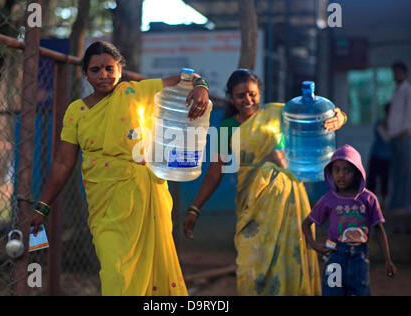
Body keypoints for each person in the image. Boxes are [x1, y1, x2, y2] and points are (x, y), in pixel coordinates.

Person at [29, 41, 210, 296]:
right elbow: (63, 162)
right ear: (85, 73)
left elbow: (187, 77)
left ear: (119, 70)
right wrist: (43, 205)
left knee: (145, 271)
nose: (103, 74)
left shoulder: (135, 92)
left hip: (142, 195)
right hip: (102, 201)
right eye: (95, 70)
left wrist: (201, 86)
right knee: (115, 269)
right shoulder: (75, 111)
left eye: (109, 68)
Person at [183, 69, 347, 296]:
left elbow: (323, 116)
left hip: (287, 200)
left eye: (252, 94)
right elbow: (215, 169)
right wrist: (195, 208)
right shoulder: (228, 126)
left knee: (290, 258)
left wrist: (339, 117)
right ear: (231, 97)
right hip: (252, 204)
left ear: (260, 92)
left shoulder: (279, 112)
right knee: (250, 263)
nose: (247, 100)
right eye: (240, 96)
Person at [302, 144, 397, 296]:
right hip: (334, 255)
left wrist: (388, 260)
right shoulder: (328, 199)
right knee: (332, 293)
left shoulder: (369, 199)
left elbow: (379, 230)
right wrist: (315, 246)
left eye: (347, 170)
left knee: (360, 292)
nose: (341, 175)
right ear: (330, 172)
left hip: (359, 258)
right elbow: (306, 224)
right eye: (337, 170)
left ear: (357, 172)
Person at [387, 62, 411, 212]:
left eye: (397, 72)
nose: (395, 76)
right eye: (394, 72)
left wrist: (406, 129)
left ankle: (405, 204)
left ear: (404, 73)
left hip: (403, 135)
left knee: (405, 171)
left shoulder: (408, 90)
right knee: (396, 171)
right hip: (394, 135)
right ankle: (396, 203)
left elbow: (409, 112)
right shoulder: (396, 91)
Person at [366, 103, 391, 207]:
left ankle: (383, 203)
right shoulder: (380, 123)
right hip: (376, 154)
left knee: (385, 180)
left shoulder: (395, 126)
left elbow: (389, 138)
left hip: (387, 157)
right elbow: (385, 137)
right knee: (372, 180)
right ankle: (371, 202)